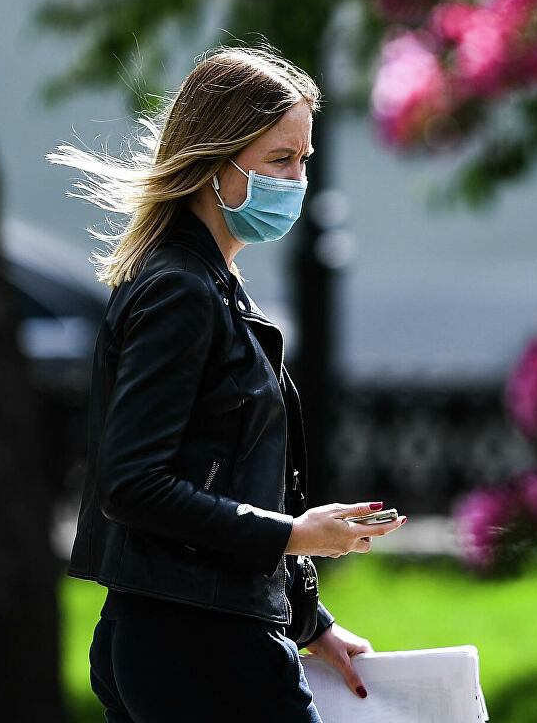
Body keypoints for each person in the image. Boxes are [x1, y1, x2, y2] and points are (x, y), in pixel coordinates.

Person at [52, 46, 402, 722]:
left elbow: (219, 473)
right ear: (216, 163)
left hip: (194, 635)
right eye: (280, 160)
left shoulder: (208, 284)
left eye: (304, 159)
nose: (299, 180)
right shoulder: (180, 292)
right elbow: (135, 485)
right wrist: (293, 535)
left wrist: (311, 620)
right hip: (197, 647)